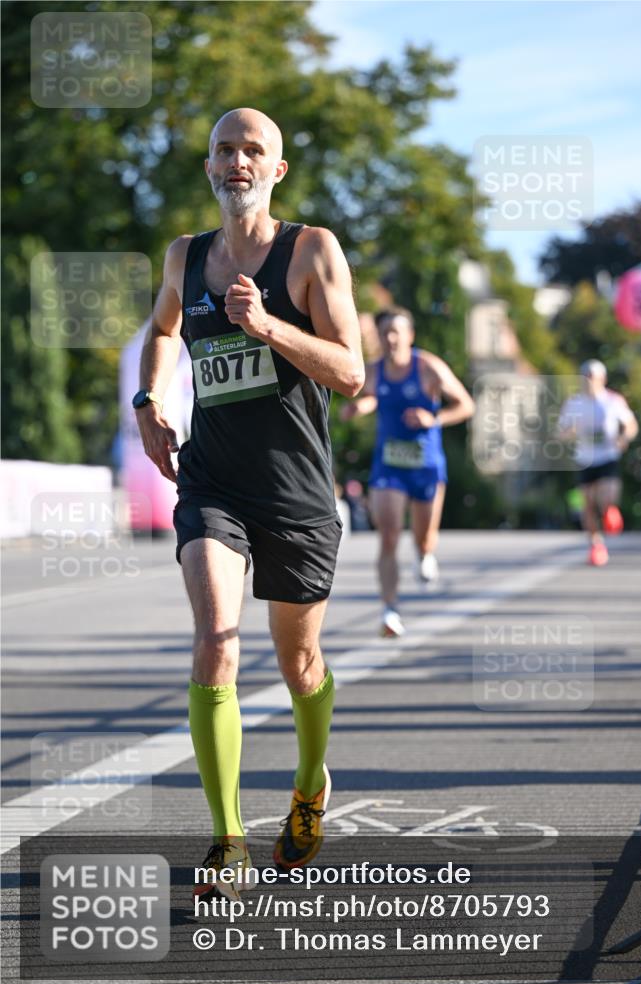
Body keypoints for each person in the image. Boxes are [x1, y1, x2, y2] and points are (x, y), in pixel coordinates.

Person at [133, 108, 363, 900]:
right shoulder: (185, 257)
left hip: (296, 491)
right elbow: (164, 332)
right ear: (208, 168)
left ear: (276, 170)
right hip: (212, 484)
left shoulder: (311, 251)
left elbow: (351, 371)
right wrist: (146, 400)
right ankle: (227, 840)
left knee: (299, 664)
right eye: (224, 150)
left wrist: (266, 325)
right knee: (216, 641)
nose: (237, 161)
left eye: (252, 150)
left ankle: (307, 781)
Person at [340, 307, 474, 637]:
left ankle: (425, 553)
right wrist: (360, 406)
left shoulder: (428, 368)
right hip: (389, 465)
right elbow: (372, 396)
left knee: (424, 536)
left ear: (410, 336)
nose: (390, 338)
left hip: (426, 464)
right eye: (384, 332)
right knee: (388, 535)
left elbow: (465, 404)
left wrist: (435, 418)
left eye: (396, 331)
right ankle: (390, 610)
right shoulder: (372, 371)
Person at [558, 360, 638, 566]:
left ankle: (610, 510)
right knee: (587, 506)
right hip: (584, 459)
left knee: (606, 496)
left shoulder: (613, 401)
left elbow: (631, 425)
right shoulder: (573, 403)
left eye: (592, 377)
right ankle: (596, 546)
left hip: (608, 458)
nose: (588, 381)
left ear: (602, 379)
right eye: (585, 377)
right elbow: (560, 432)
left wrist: (624, 438)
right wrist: (569, 432)